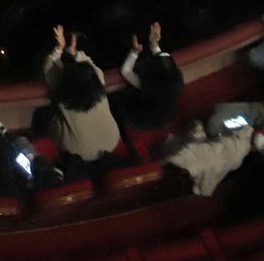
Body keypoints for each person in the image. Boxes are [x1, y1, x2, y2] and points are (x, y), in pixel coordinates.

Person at [43, 26, 121, 164]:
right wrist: (74, 52)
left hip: (77, 152)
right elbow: (90, 64)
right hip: (111, 141)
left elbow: (48, 69)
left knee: (47, 118)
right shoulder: (99, 79)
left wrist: (59, 48)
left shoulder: (61, 90)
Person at [117, 21, 185, 131]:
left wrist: (135, 52)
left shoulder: (147, 84)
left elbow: (125, 71)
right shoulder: (175, 83)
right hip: (164, 117)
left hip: (142, 119)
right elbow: (164, 65)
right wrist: (154, 44)